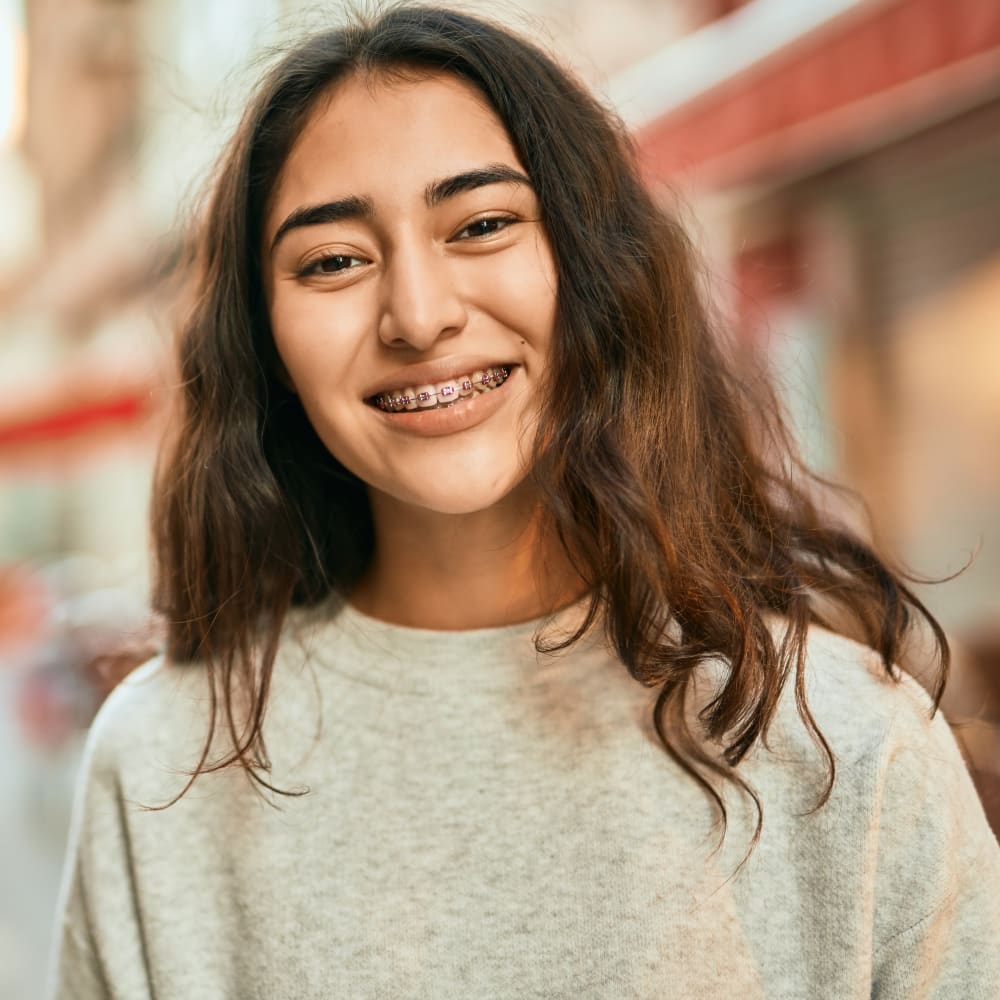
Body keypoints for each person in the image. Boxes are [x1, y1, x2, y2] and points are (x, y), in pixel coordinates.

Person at [49, 6, 1000, 998]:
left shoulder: (841, 738)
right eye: (332, 260)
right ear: (267, 343)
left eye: (484, 224)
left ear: (594, 271)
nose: (419, 315)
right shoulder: (166, 763)